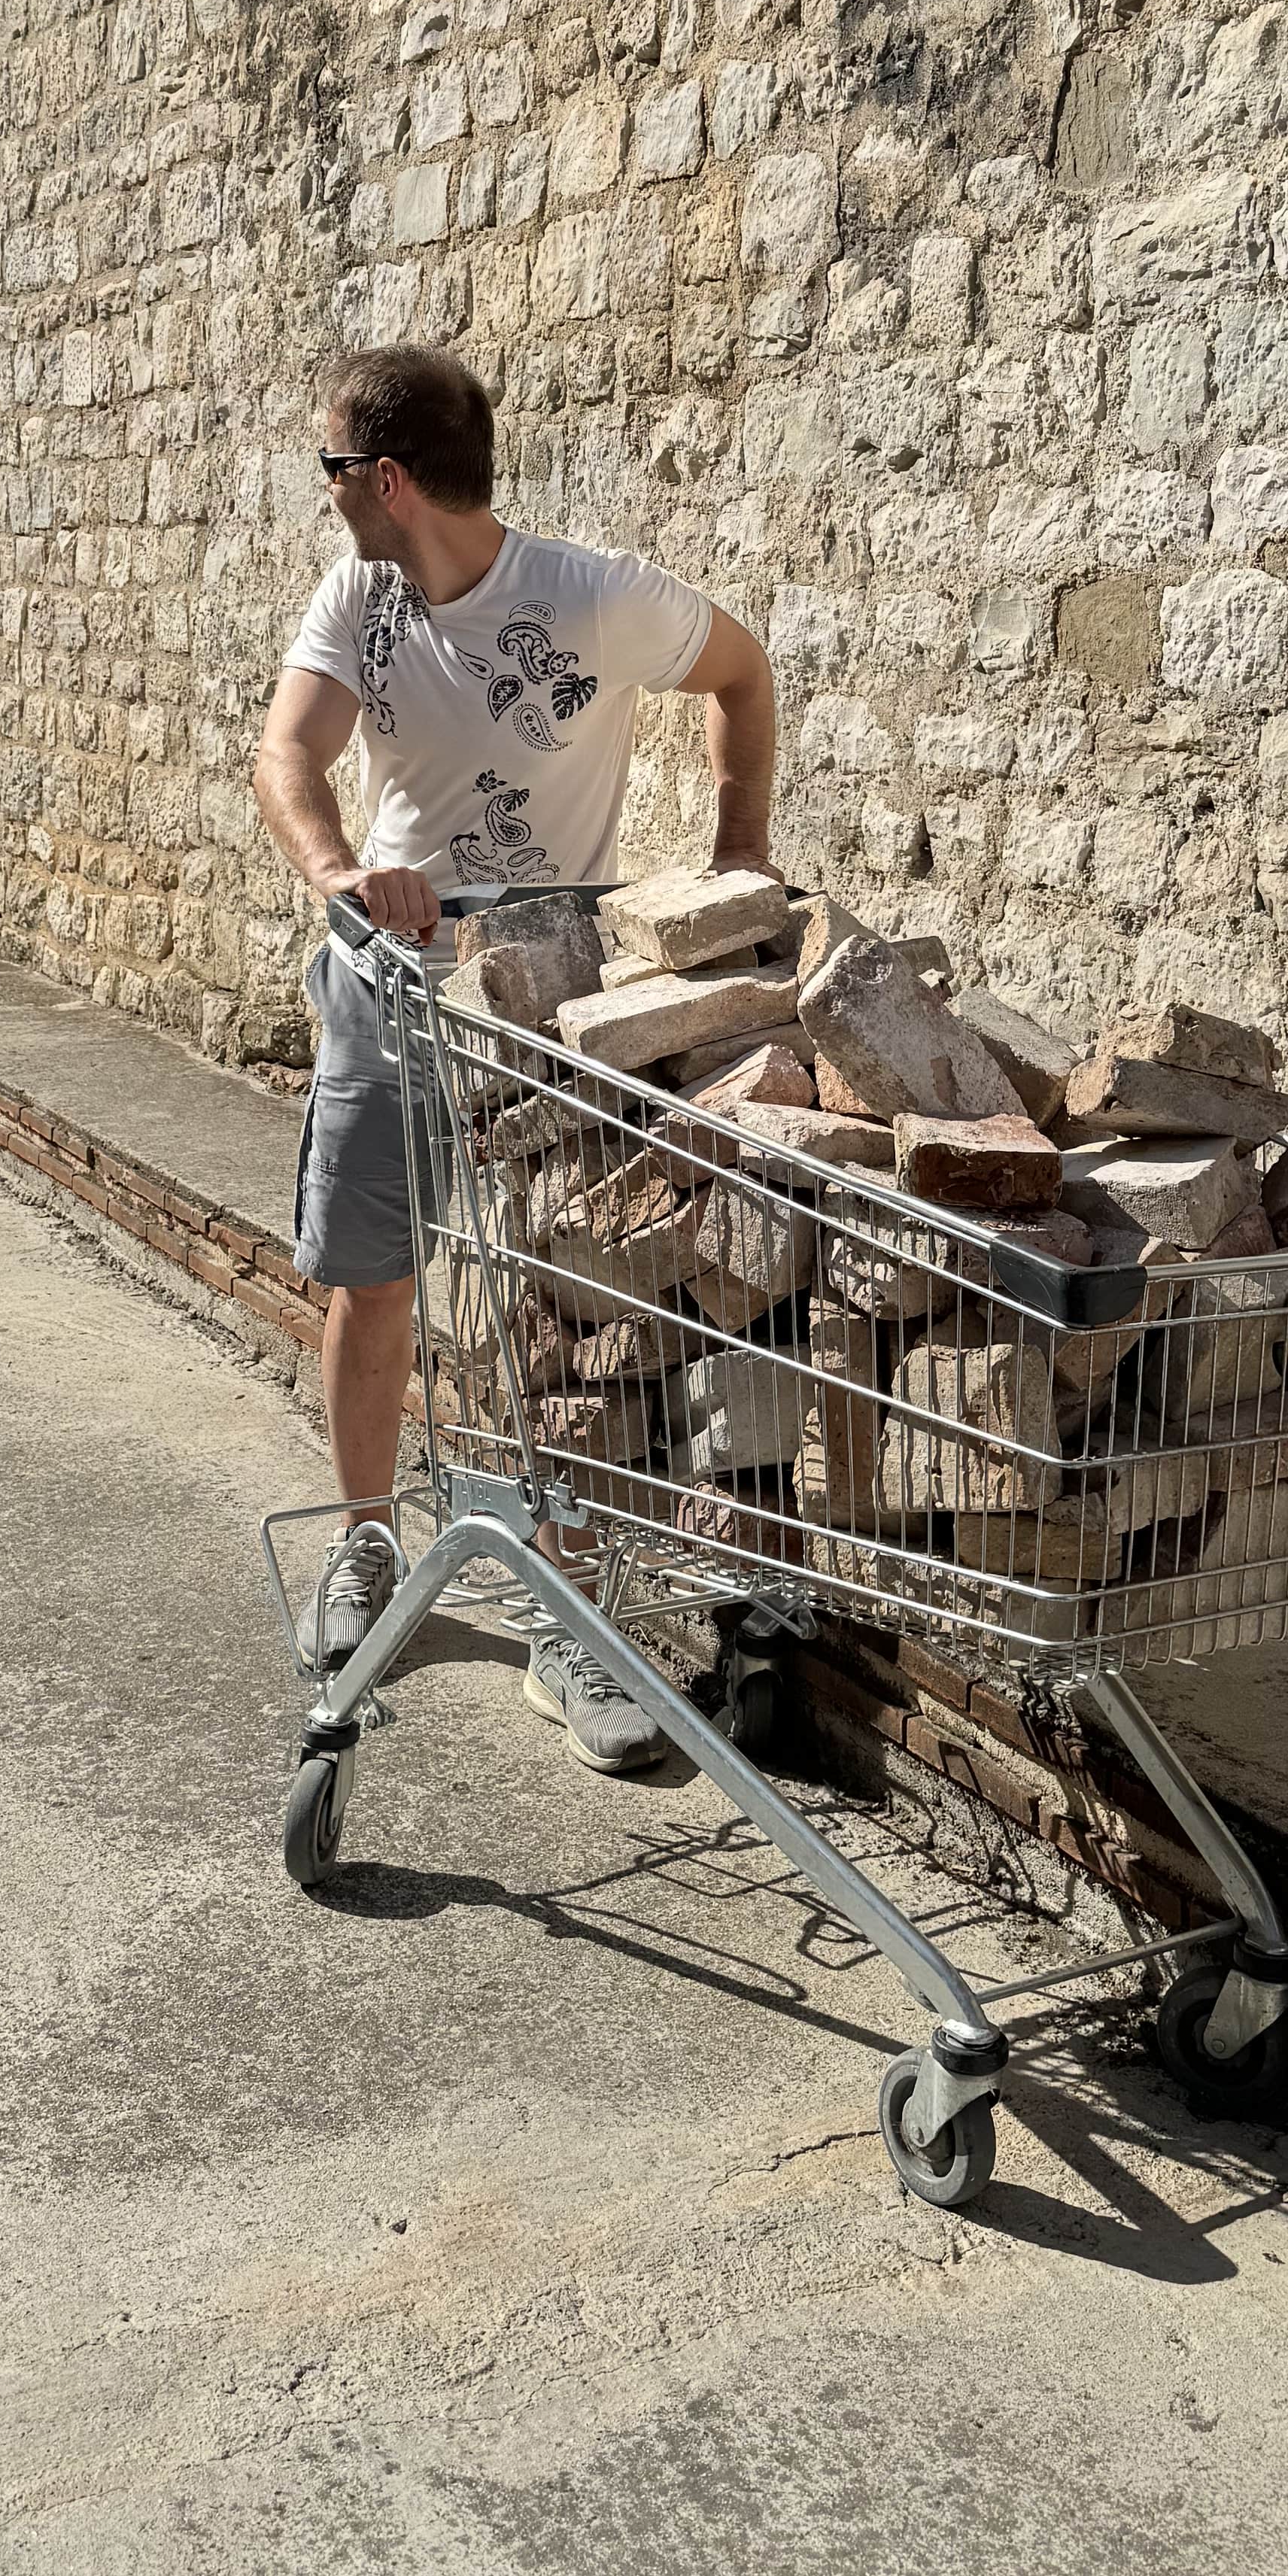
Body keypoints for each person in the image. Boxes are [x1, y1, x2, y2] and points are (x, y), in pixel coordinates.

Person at [251, 343, 780, 1773]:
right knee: (374, 1272)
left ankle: (569, 1608)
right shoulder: (358, 599)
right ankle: (369, 1543)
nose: (326, 493)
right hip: (393, 985)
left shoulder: (591, 598)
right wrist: (344, 874)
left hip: (552, 998)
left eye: (331, 469)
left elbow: (743, 673)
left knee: (567, 1303)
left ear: (389, 479)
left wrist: (740, 855)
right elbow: (288, 757)